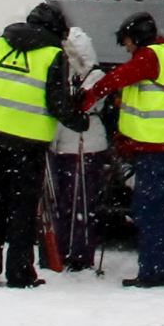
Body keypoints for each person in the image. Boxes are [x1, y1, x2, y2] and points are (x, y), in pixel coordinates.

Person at [0, 1, 87, 287]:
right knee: (22, 206)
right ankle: (19, 273)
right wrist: (79, 120)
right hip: (27, 141)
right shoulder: (53, 54)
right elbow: (57, 104)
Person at [79, 13, 164, 288]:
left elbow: (117, 78)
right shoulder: (163, 53)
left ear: (137, 37)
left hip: (159, 146)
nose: (127, 48)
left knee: (148, 210)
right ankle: (163, 268)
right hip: (163, 144)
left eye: (127, 42)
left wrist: (89, 96)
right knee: (157, 210)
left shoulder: (149, 57)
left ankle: (153, 271)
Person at [47, 29, 110, 272]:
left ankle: (79, 253)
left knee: (80, 202)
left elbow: (87, 103)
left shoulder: (94, 76)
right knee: (66, 202)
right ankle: (64, 249)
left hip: (85, 144)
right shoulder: (64, 74)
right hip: (66, 143)